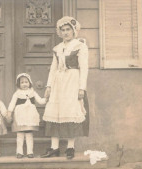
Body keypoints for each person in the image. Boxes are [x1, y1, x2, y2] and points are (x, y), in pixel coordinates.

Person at [41, 16, 89, 159]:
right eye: (63, 30)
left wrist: (82, 88)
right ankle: (54, 148)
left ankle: (70, 147)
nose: (66, 32)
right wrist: (49, 86)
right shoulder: (57, 48)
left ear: (74, 31)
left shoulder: (80, 46)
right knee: (54, 111)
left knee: (70, 111)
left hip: (72, 81)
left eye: (68, 29)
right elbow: (53, 69)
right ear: (59, 32)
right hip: (58, 82)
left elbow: (84, 68)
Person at [8, 73, 46, 158]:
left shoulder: (32, 92)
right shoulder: (17, 93)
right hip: (20, 116)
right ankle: (19, 152)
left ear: (30, 83)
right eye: (22, 82)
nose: (24, 84)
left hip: (30, 116)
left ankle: (30, 152)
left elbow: (40, 101)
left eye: (26, 82)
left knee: (29, 134)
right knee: (20, 134)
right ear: (19, 84)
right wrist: (9, 112)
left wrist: (47, 98)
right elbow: (12, 103)